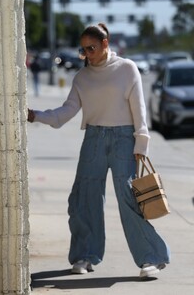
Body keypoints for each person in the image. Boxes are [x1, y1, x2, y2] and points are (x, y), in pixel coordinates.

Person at [28, 23, 170, 278]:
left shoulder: (127, 69)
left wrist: (142, 143)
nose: (87, 54)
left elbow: (139, 109)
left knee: (129, 196)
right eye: (83, 51)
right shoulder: (82, 77)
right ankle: (84, 255)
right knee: (84, 197)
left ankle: (150, 258)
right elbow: (65, 111)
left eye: (91, 48)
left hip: (124, 139)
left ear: (106, 43)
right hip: (93, 138)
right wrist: (36, 115)